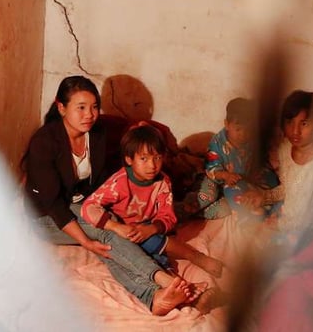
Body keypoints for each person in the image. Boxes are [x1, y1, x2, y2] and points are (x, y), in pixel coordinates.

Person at [21, 76, 202, 315]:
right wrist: (87, 240)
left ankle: (154, 298)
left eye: (95, 107)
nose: (90, 114)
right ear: (61, 107)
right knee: (107, 236)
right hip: (46, 217)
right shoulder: (44, 142)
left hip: (80, 205)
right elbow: (54, 205)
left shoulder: (95, 134)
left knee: (108, 246)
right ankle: (168, 282)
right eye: (81, 107)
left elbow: (109, 177)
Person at [82, 122, 226, 278]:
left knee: (153, 240)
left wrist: (151, 229)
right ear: (129, 160)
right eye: (144, 158)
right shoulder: (119, 182)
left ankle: (195, 258)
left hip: (148, 226)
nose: (152, 165)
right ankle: (180, 278)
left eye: (157, 158)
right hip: (123, 229)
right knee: (149, 252)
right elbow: (89, 206)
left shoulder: (163, 182)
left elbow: (168, 216)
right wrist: (115, 226)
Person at [245, 90, 313, 246]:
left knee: (256, 246)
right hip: (284, 216)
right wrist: (264, 197)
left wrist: (279, 225)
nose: (295, 131)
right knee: (241, 223)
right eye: (290, 122)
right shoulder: (286, 148)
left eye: (304, 123)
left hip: (310, 233)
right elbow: (289, 188)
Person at [176, 97, 280, 222]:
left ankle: (262, 213)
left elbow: (262, 161)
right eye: (238, 129)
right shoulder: (217, 142)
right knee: (207, 196)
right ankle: (186, 208)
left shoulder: (253, 140)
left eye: (248, 129)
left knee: (226, 208)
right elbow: (211, 168)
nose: (243, 134)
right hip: (216, 177)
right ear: (226, 124)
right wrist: (225, 175)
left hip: (238, 181)